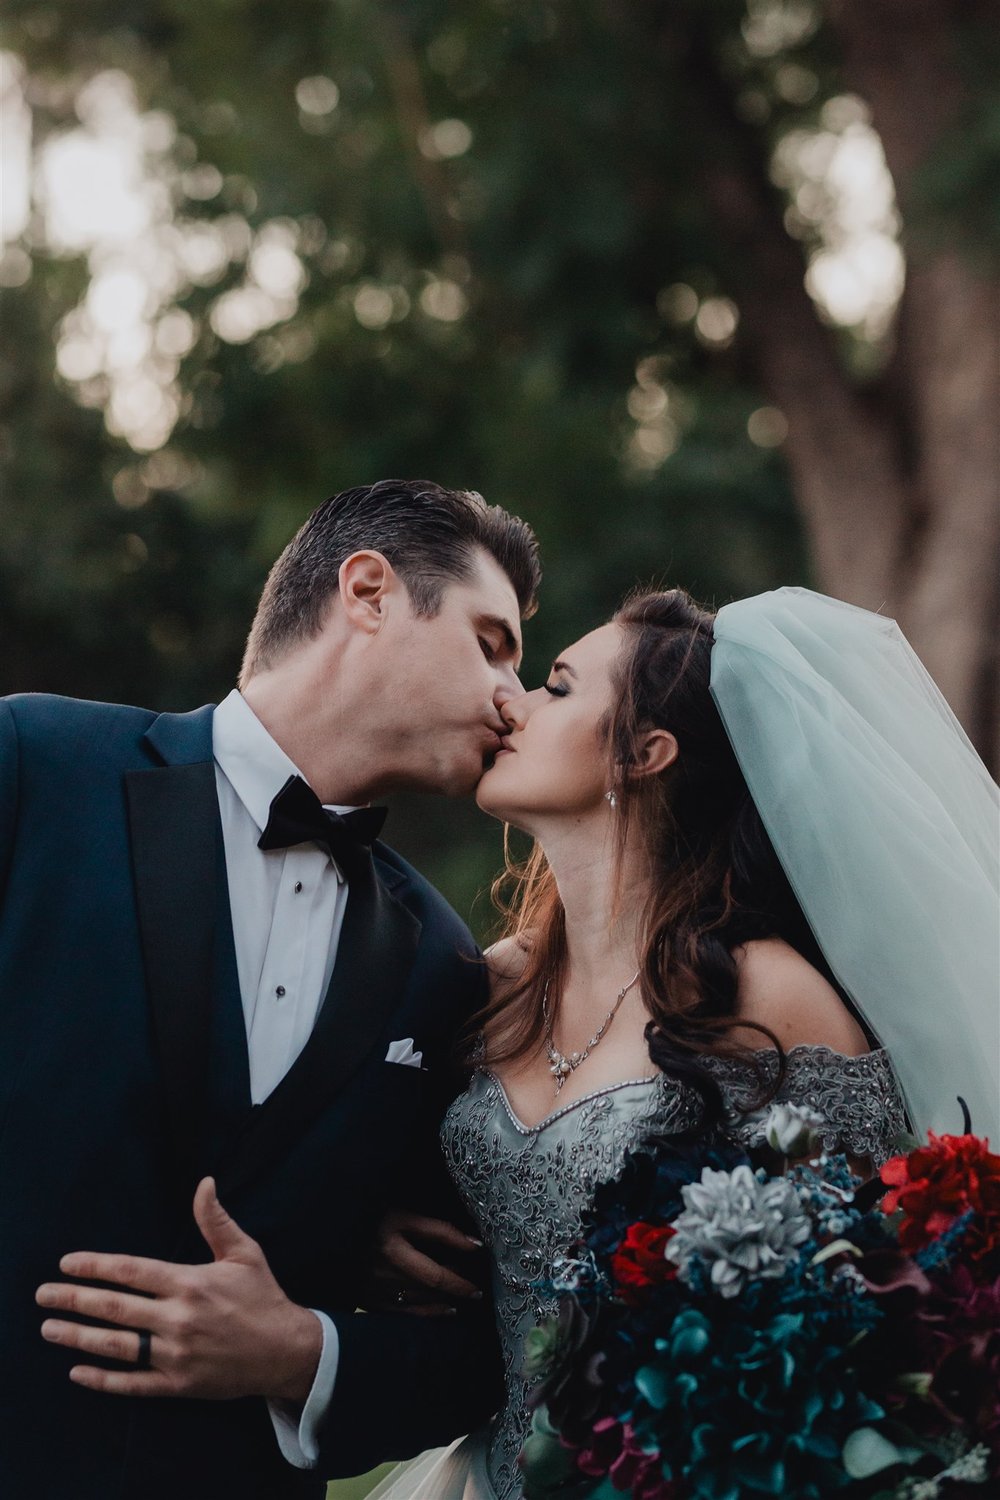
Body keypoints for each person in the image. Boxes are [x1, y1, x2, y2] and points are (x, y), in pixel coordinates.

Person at [38, 587, 999, 1498]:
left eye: (557, 686)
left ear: (644, 754)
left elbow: (876, 1282)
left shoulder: (764, 994)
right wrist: (362, 1227)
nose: (513, 700)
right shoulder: (484, 986)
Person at [1, 478, 541, 1500]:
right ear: (370, 592)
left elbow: (474, 1345)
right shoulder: (34, 765)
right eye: (490, 643)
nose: (512, 700)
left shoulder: (438, 958)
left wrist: (306, 1352)